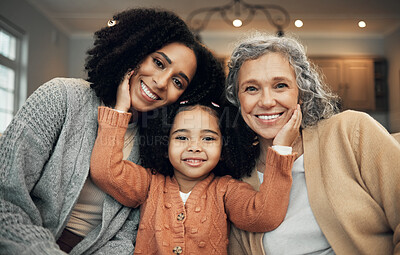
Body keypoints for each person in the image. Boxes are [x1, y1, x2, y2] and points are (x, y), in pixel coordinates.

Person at [0, 7, 226, 255]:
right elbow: (6, 199)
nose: (161, 83)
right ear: (135, 51)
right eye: (159, 62)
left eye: (177, 82)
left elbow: (129, 235)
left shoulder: (158, 146)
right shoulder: (61, 97)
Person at [224, 33, 400, 255]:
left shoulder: (350, 132)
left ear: (301, 94)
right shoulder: (238, 176)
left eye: (280, 85)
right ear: (237, 100)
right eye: (251, 88)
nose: (267, 101)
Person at [89, 80, 302, 254]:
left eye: (208, 138)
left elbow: (264, 217)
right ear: (165, 145)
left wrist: (281, 147)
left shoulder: (226, 190)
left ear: (223, 149)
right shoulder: (150, 183)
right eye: (182, 137)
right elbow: (105, 171)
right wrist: (120, 109)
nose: (195, 147)